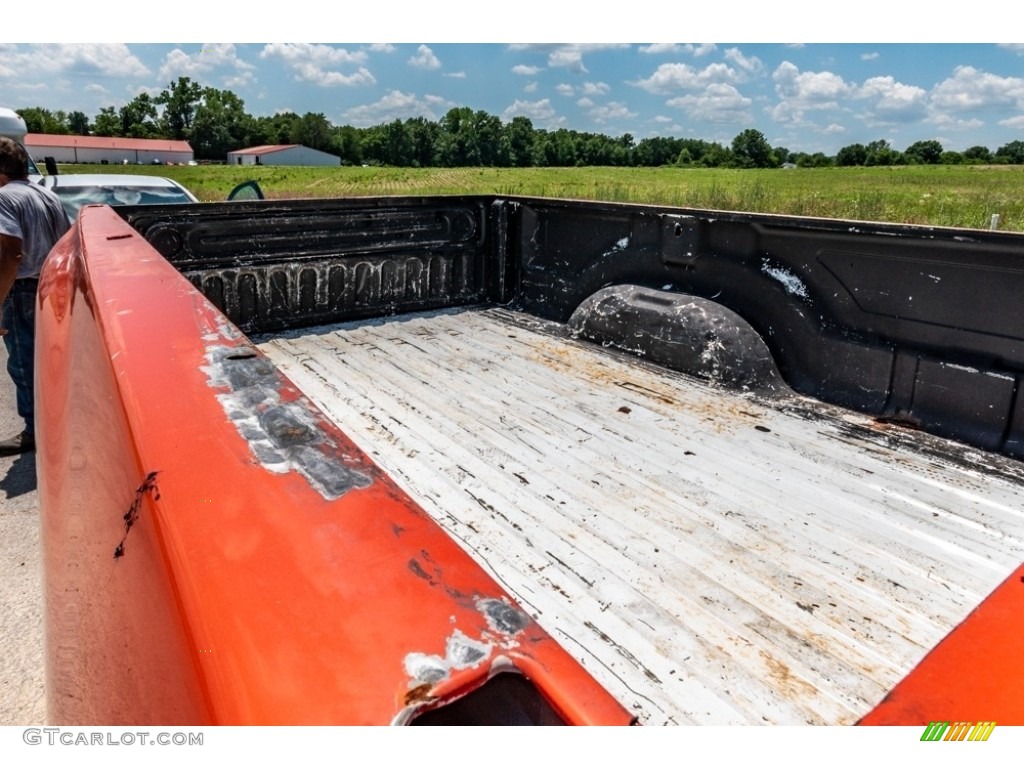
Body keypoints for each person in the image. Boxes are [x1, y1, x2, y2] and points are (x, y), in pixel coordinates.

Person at [0, 137, 71, 455]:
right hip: (51, 284)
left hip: (22, 289)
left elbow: (10, 254)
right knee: (52, 359)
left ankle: (35, 430)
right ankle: (57, 421)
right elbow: (68, 240)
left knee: (23, 362)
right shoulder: (46, 194)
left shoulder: (4, 198)